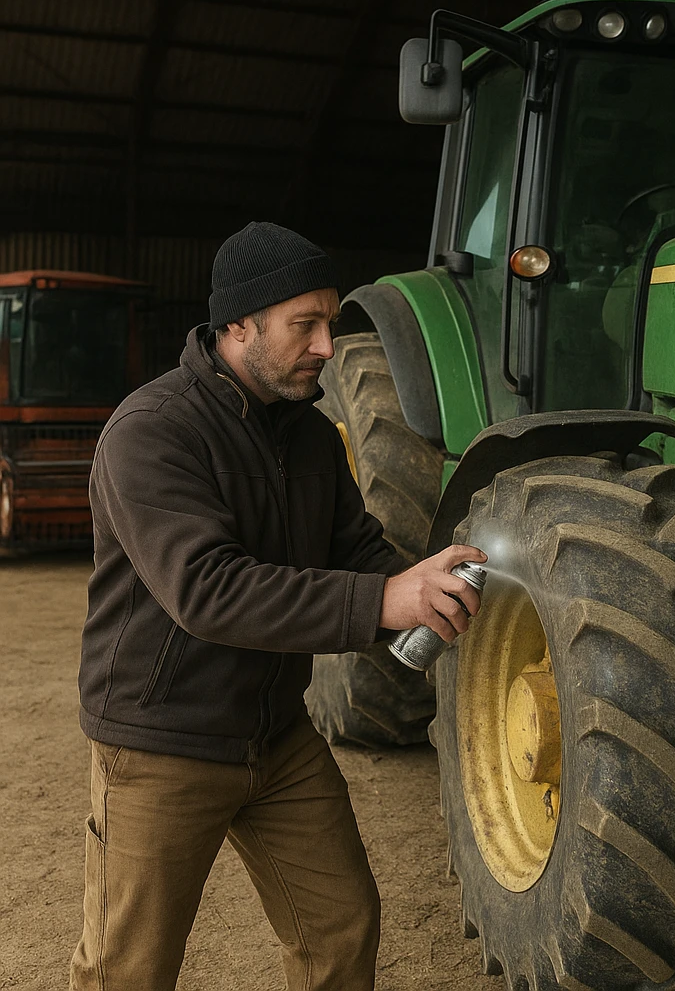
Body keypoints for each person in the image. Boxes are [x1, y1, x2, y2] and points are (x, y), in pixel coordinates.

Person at [69, 221, 486, 991]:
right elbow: (208, 590)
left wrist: (426, 589)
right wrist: (383, 599)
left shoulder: (313, 438)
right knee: (128, 967)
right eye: (307, 325)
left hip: (276, 736)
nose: (328, 345)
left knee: (341, 927)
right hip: (162, 742)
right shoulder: (151, 432)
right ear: (238, 325)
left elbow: (355, 553)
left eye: (330, 321)